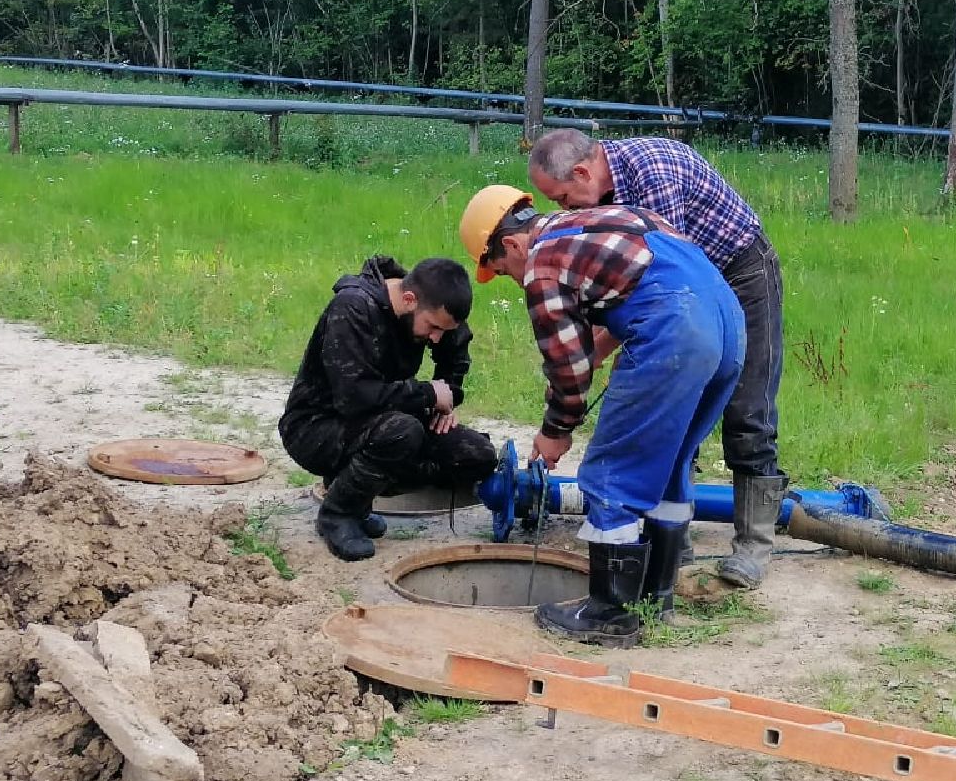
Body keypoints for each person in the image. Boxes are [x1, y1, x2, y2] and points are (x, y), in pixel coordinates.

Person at [459, 184, 744, 646]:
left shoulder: (541, 263)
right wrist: (596, 351)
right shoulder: (605, 218)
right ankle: (656, 599)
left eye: (502, 270)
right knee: (669, 464)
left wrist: (555, 431)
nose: (515, 278)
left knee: (610, 474)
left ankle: (609, 615)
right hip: (728, 324)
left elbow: (569, 375)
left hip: (674, 329)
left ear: (510, 245)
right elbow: (632, 292)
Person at [527, 129, 785, 588]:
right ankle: (673, 543)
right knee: (675, 414)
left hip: (737, 274)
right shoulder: (603, 190)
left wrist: (591, 354)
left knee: (748, 410)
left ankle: (754, 545)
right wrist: (593, 352)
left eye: (565, 198)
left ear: (583, 172)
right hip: (691, 291)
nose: (568, 211)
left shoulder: (652, 170)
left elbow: (667, 276)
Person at [279, 256, 497, 561]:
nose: (435, 338)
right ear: (409, 299)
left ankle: (353, 487)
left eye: (442, 331)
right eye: (433, 328)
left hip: (386, 417)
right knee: (402, 433)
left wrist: (445, 398)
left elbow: (455, 348)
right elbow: (353, 397)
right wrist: (427, 394)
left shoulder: (433, 306)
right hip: (317, 425)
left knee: (477, 455)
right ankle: (338, 514)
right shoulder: (353, 309)